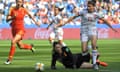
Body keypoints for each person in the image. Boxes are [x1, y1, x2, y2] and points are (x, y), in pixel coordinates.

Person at [55, 1, 117, 70]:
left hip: (92, 30)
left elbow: (105, 20)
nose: (88, 7)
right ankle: (90, 47)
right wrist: (65, 22)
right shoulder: (83, 12)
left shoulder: (97, 13)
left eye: (90, 6)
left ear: (93, 7)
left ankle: (94, 64)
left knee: (94, 45)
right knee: (84, 51)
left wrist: (112, 28)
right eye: (88, 6)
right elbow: (73, 17)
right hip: (84, 31)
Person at [5, 0, 40, 64]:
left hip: (21, 30)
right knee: (21, 46)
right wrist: (13, 17)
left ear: (22, 3)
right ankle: (30, 47)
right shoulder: (11, 9)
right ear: (16, 2)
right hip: (14, 30)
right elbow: (6, 20)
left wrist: (36, 22)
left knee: (13, 41)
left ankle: (9, 59)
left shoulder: (24, 10)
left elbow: (30, 15)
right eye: (18, 2)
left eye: (20, 2)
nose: (19, 3)